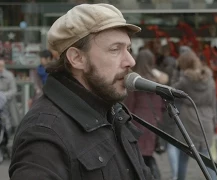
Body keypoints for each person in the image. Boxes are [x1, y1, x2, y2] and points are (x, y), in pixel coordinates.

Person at [9, 4, 155, 180]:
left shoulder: (113, 112)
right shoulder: (44, 133)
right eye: (115, 49)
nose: (130, 61)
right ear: (77, 58)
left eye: (128, 49)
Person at [171, 50, 217, 180]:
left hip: (189, 119)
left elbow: (171, 91)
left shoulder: (185, 80)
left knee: (183, 156)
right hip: (207, 119)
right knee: (208, 160)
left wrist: (176, 71)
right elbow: (214, 101)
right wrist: (215, 121)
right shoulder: (209, 78)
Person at [124, 49, 168, 180]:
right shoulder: (157, 80)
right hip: (153, 122)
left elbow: (128, 105)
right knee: (147, 156)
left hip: (137, 121)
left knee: (138, 157)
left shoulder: (134, 81)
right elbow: (164, 105)